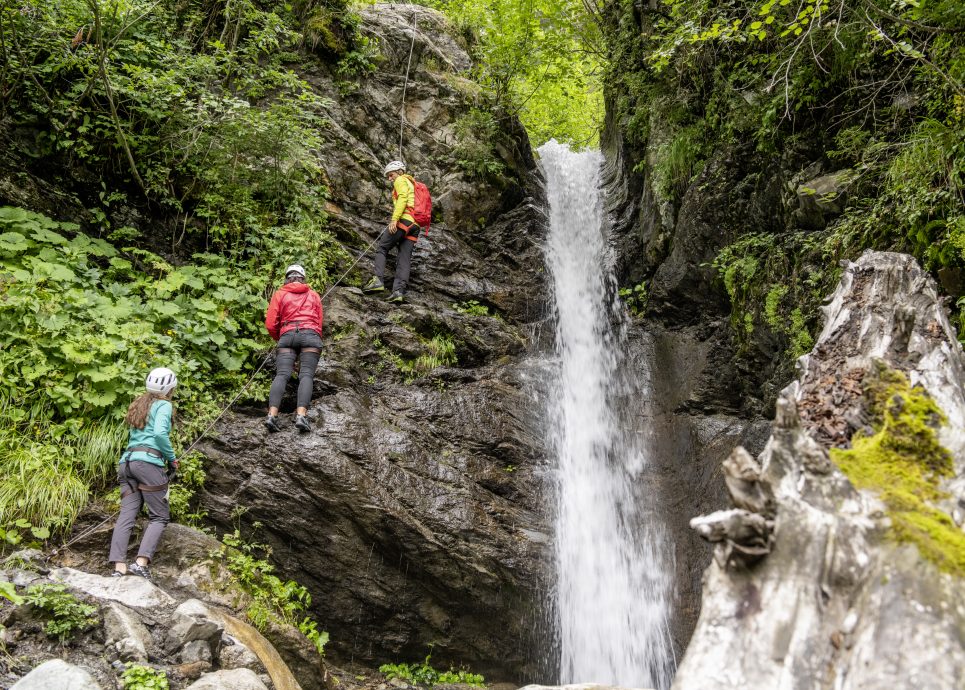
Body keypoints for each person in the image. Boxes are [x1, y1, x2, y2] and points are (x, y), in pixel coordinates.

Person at [108, 367, 178, 579]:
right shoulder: (164, 405)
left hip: (127, 464)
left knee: (127, 515)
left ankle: (119, 568)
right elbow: (159, 433)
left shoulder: (139, 403)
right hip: (147, 464)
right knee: (159, 516)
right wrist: (172, 458)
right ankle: (140, 563)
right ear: (169, 388)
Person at [264, 263, 323, 433]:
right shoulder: (313, 295)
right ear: (303, 279)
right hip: (311, 336)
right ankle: (301, 416)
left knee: (282, 374)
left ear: (287, 278)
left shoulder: (280, 294)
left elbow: (270, 324)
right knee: (306, 375)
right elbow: (319, 323)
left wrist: (281, 337)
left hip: (287, 336)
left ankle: (272, 415)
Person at [364, 160, 422, 303]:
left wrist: (394, 219)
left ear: (400, 171)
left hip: (405, 220)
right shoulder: (413, 184)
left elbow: (402, 198)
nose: (390, 178)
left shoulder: (401, 179)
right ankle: (398, 292)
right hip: (416, 225)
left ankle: (377, 281)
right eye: (388, 176)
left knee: (382, 247)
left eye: (391, 175)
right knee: (404, 258)